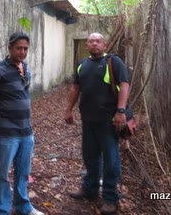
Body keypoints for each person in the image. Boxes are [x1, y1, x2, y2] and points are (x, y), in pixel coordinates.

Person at [64, 32, 130, 215]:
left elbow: (124, 85)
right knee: (90, 157)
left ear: (104, 45)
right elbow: (75, 88)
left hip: (108, 121)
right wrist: (68, 109)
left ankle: (110, 198)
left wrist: (121, 111)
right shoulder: (82, 65)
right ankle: (90, 189)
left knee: (111, 160)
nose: (94, 43)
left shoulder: (114, 62)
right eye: (91, 41)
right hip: (88, 120)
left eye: (97, 41)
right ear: (87, 45)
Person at [0, 32, 44, 215]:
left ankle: (22, 206)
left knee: (23, 172)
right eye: (19, 48)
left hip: (26, 132)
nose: (22, 52)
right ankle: (1, 210)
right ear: (10, 47)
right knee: (2, 174)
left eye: (25, 48)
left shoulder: (25, 68)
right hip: (6, 133)